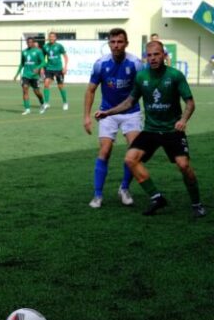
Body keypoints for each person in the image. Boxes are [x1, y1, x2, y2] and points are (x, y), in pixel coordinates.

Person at [95, 40, 205, 218]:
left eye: (157, 54)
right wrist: (108, 112)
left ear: (164, 56)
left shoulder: (175, 75)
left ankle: (197, 203)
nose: (153, 58)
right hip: (151, 130)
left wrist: (183, 120)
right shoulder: (141, 77)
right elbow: (130, 102)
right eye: (150, 55)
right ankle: (156, 197)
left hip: (172, 130)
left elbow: (190, 103)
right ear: (146, 58)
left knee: (184, 165)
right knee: (131, 159)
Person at [83, 28, 143, 209]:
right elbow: (91, 90)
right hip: (107, 113)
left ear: (126, 43)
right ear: (108, 43)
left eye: (120, 42)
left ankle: (124, 189)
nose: (116, 45)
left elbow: (144, 87)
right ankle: (97, 195)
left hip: (131, 112)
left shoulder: (136, 63)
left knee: (134, 152)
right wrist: (86, 116)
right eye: (113, 42)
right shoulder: (100, 64)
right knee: (105, 151)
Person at [13, 37, 46, 115]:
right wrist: (17, 74)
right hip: (26, 75)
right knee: (25, 89)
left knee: (37, 92)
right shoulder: (24, 52)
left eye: (31, 42)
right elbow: (21, 64)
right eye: (28, 42)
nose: (29, 43)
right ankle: (27, 109)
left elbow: (44, 62)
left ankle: (42, 104)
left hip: (35, 76)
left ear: (34, 43)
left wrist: (38, 68)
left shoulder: (38, 51)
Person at [42, 32, 69, 110]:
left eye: (53, 37)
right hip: (49, 68)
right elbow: (42, 59)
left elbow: (66, 57)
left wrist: (65, 67)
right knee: (46, 83)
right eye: (50, 37)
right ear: (48, 38)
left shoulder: (59, 46)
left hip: (58, 69)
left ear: (55, 38)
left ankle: (65, 102)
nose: (51, 38)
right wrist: (42, 68)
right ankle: (46, 103)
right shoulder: (45, 47)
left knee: (60, 86)